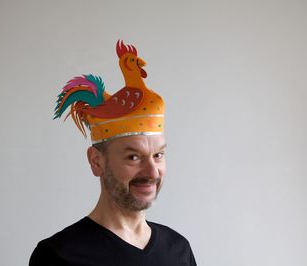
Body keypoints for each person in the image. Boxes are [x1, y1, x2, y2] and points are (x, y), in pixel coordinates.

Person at [29, 40, 197, 266]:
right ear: (96, 161)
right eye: (133, 157)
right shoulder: (59, 256)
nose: (152, 171)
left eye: (158, 155)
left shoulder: (178, 249)